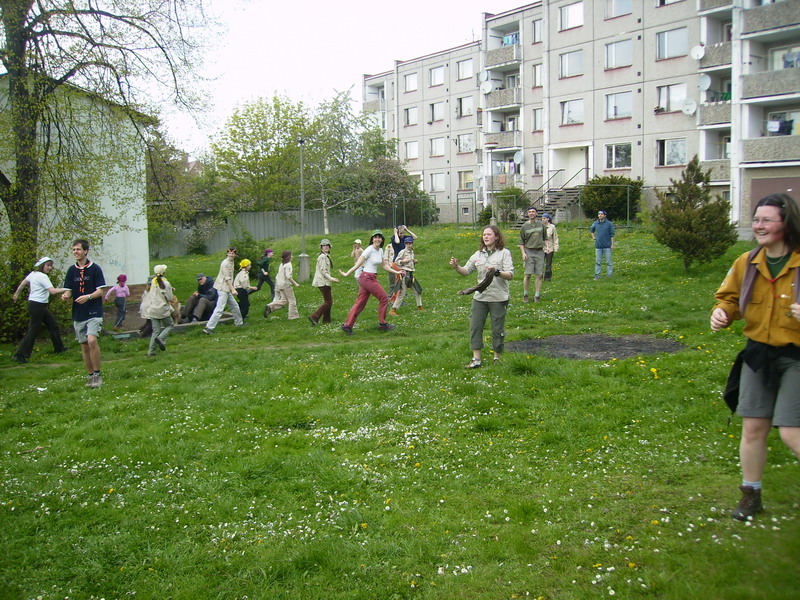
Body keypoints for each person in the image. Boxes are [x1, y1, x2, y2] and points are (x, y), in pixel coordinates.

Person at [711, 193, 800, 521]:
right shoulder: (747, 263)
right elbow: (728, 299)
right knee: (753, 428)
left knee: (791, 432)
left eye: (766, 220)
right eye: (756, 219)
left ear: (785, 224)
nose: (758, 226)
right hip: (758, 354)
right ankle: (751, 495)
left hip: (796, 356)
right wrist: (721, 312)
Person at [450, 225, 514, 368]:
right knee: (475, 327)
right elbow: (466, 271)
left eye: (489, 234)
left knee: (497, 329)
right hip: (480, 298)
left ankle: (497, 357)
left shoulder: (504, 253)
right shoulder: (477, 255)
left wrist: (496, 271)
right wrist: (456, 267)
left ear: (496, 237)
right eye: (484, 234)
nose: (485, 237)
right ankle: (476, 359)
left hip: (498, 297)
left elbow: (510, 275)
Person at [339, 230, 404, 335]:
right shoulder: (369, 250)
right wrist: (347, 273)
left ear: (382, 239)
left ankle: (347, 326)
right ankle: (383, 324)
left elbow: (384, 265)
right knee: (384, 298)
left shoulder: (380, 251)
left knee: (360, 303)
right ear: (372, 239)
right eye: (375, 237)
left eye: (379, 237)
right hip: (366, 278)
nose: (377, 239)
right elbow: (358, 264)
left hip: (370, 278)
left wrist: (397, 271)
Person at [61, 239, 106, 388]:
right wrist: (66, 295)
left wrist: (88, 297)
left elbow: (100, 290)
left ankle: (98, 375)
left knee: (92, 340)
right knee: (85, 346)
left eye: (78, 249)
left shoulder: (95, 269)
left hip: (93, 311)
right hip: (78, 313)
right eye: (74, 250)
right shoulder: (71, 270)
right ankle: (90, 376)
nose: (75, 252)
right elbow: (69, 289)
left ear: (85, 251)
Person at [12, 256, 69, 363]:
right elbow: (52, 291)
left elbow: (23, 283)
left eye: (51, 266)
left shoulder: (33, 274)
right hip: (37, 305)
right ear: (42, 266)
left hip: (37, 305)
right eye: (47, 265)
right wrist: (68, 288)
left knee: (53, 325)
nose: (50, 268)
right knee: (33, 330)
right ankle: (20, 355)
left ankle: (59, 349)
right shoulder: (42, 277)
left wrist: (16, 295)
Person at [203, 248, 245, 335]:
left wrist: (231, 289)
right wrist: (233, 289)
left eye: (233, 253)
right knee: (219, 309)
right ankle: (208, 328)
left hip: (227, 289)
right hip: (223, 288)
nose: (231, 255)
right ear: (227, 254)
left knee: (235, 306)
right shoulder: (225, 263)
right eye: (230, 253)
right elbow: (227, 278)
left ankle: (239, 323)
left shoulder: (231, 262)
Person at [142, 265, 175, 357]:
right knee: (170, 325)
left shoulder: (153, 281)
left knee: (155, 331)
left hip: (152, 309)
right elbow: (169, 297)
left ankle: (151, 351)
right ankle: (161, 339)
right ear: (164, 272)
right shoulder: (166, 283)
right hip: (162, 309)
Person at [519, 207, 547, 303]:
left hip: (539, 252)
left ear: (536, 213)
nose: (531, 213)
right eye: (529, 212)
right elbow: (521, 242)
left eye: (533, 212)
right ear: (527, 213)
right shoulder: (524, 226)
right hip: (528, 251)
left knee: (539, 275)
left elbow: (545, 238)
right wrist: (523, 253)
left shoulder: (541, 225)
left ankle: (537, 295)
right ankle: (525, 294)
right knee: (527, 274)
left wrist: (547, 248)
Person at [389, 236, 423, 315]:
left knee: (417, 290)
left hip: (411, 274)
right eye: (407, 243)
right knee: (402, 293)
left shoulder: (412, 252)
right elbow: (396, 262)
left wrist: (414, 262)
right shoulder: (402, 252)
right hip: (405, 274)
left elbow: (410, 263)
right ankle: (393, 310)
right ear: (405, 244)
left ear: (412, 244)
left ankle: (420, 307)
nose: (408, 245)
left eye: (410, 243)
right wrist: (403, 261)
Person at [309, 239, 340, 325]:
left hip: (324, 281)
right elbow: (323, 271)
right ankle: (314, 317)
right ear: (321, 247)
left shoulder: (325, 256)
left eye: (327, 245)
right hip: (323, 282)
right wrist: (331, 279)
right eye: (324, 245)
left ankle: (326, 320)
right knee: (328, 302)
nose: (326, 247)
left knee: (328, 301)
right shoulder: (322, 257)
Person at [264, 250, 301, 319]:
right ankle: (293, 316)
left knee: (284, 300)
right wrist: (295, 284)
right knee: (292, 301)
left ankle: (270, 307)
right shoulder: (288, 265)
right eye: (291, 255)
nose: (292, 257)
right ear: (288, 257)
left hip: (279, 284)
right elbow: (288, 276)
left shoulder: (282, 264)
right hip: (286, 285)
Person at [590, 210, 615, 279]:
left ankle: (609, 275)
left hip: (607, 246)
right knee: (598, 262)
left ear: (605, 215)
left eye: (601, 214)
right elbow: (591, 230)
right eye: (599, 214)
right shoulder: (595, 223)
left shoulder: (609, 224)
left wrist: (612, 244)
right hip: (598, 246)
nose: (600, 215)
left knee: (609, 262)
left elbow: (612, 235)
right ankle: (597, 275)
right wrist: (594, 237)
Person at [542, 212, 560, 282]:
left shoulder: (552, 227)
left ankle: (547, 278)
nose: (543, 220)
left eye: (544, 218)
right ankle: (540, 276)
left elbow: (555, 237)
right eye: (542, 218)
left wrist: (556, 247)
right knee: (540, 263)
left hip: (550, 248)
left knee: (548, 264)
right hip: (541, 248)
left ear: (548, 219)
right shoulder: (540, 226)